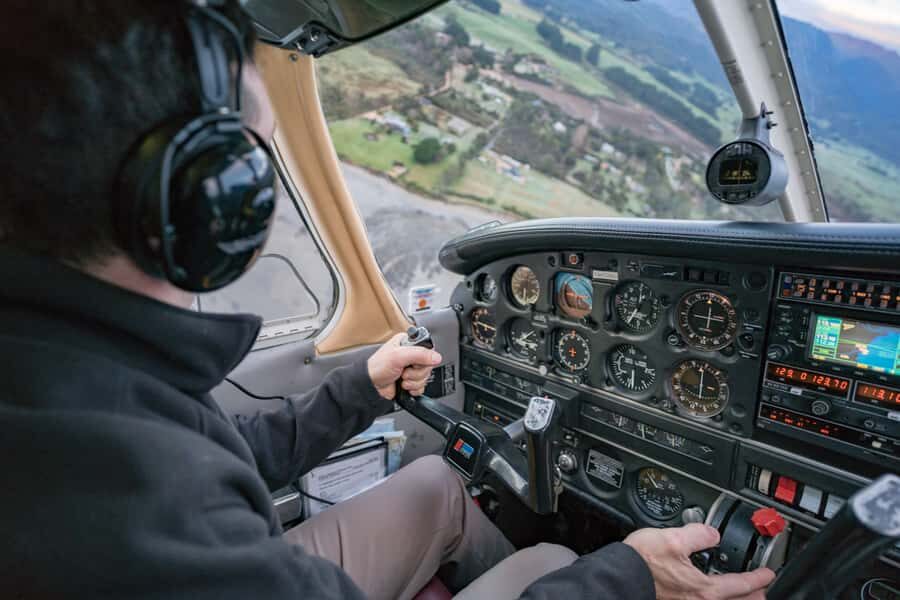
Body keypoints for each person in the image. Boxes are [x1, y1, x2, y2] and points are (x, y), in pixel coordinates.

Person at [0, 2, 775, 599]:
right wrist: (626, 576)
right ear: (200, 202)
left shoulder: (70, 372)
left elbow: (212, 447)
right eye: (256, 160)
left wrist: (355, 389)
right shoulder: (126, 508)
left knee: (441, 483)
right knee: (554, 559)